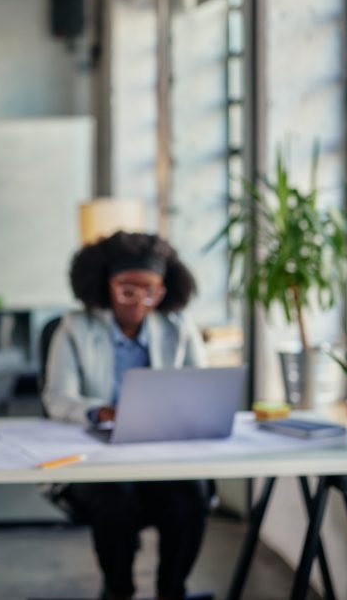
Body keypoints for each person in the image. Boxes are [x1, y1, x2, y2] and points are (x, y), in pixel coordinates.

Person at [42, 231, 208, 600]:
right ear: (106, 284)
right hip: (96, 459)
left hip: (160, 457)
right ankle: (118, 591)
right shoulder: (75, 328)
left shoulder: (179, 328)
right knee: (116, 501)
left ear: (165, 290)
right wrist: (96, 411)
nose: (139, 301)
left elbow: (200, 388)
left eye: (151, 291)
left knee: (190, 499)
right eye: (127, 289)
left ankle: (172, 590)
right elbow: (57, 398)